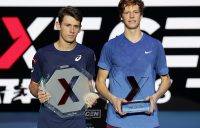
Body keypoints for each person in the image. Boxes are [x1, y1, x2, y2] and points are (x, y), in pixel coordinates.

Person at [95, 0, 171, 128]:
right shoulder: (110, 46)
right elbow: (99, 82)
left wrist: (155, 97)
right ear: (121, 16)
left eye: (135, 12)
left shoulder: (156, 45)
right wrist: (113, 100)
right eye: (127, 12)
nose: (131, 16)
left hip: (148, 122)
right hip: (117, 121)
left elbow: (166, 80)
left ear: (141, 15)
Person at [29, 6, 98, 128]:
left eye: (76, 26)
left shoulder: (88, 54)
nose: (72, 30)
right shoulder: (42, 54)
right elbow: (33, 85)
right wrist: (38, 92)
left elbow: (88, 84)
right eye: (68, 25)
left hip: (77, 122)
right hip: (48, 121)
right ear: (58, 25)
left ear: (80, 28)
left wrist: (91, 95)